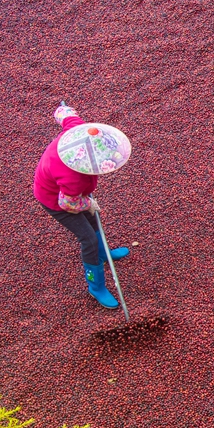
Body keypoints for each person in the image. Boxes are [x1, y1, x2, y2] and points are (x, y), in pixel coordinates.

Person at [33, 104, 131, 309]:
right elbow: (67, 203)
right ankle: (96, 286)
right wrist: (89, 203)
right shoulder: (73, 177)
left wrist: (64, 109)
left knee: (94, 221)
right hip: (55, 200)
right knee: (87, 238)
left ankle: (104, 254)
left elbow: (65, 115)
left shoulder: (79, 130)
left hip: (71, 195)